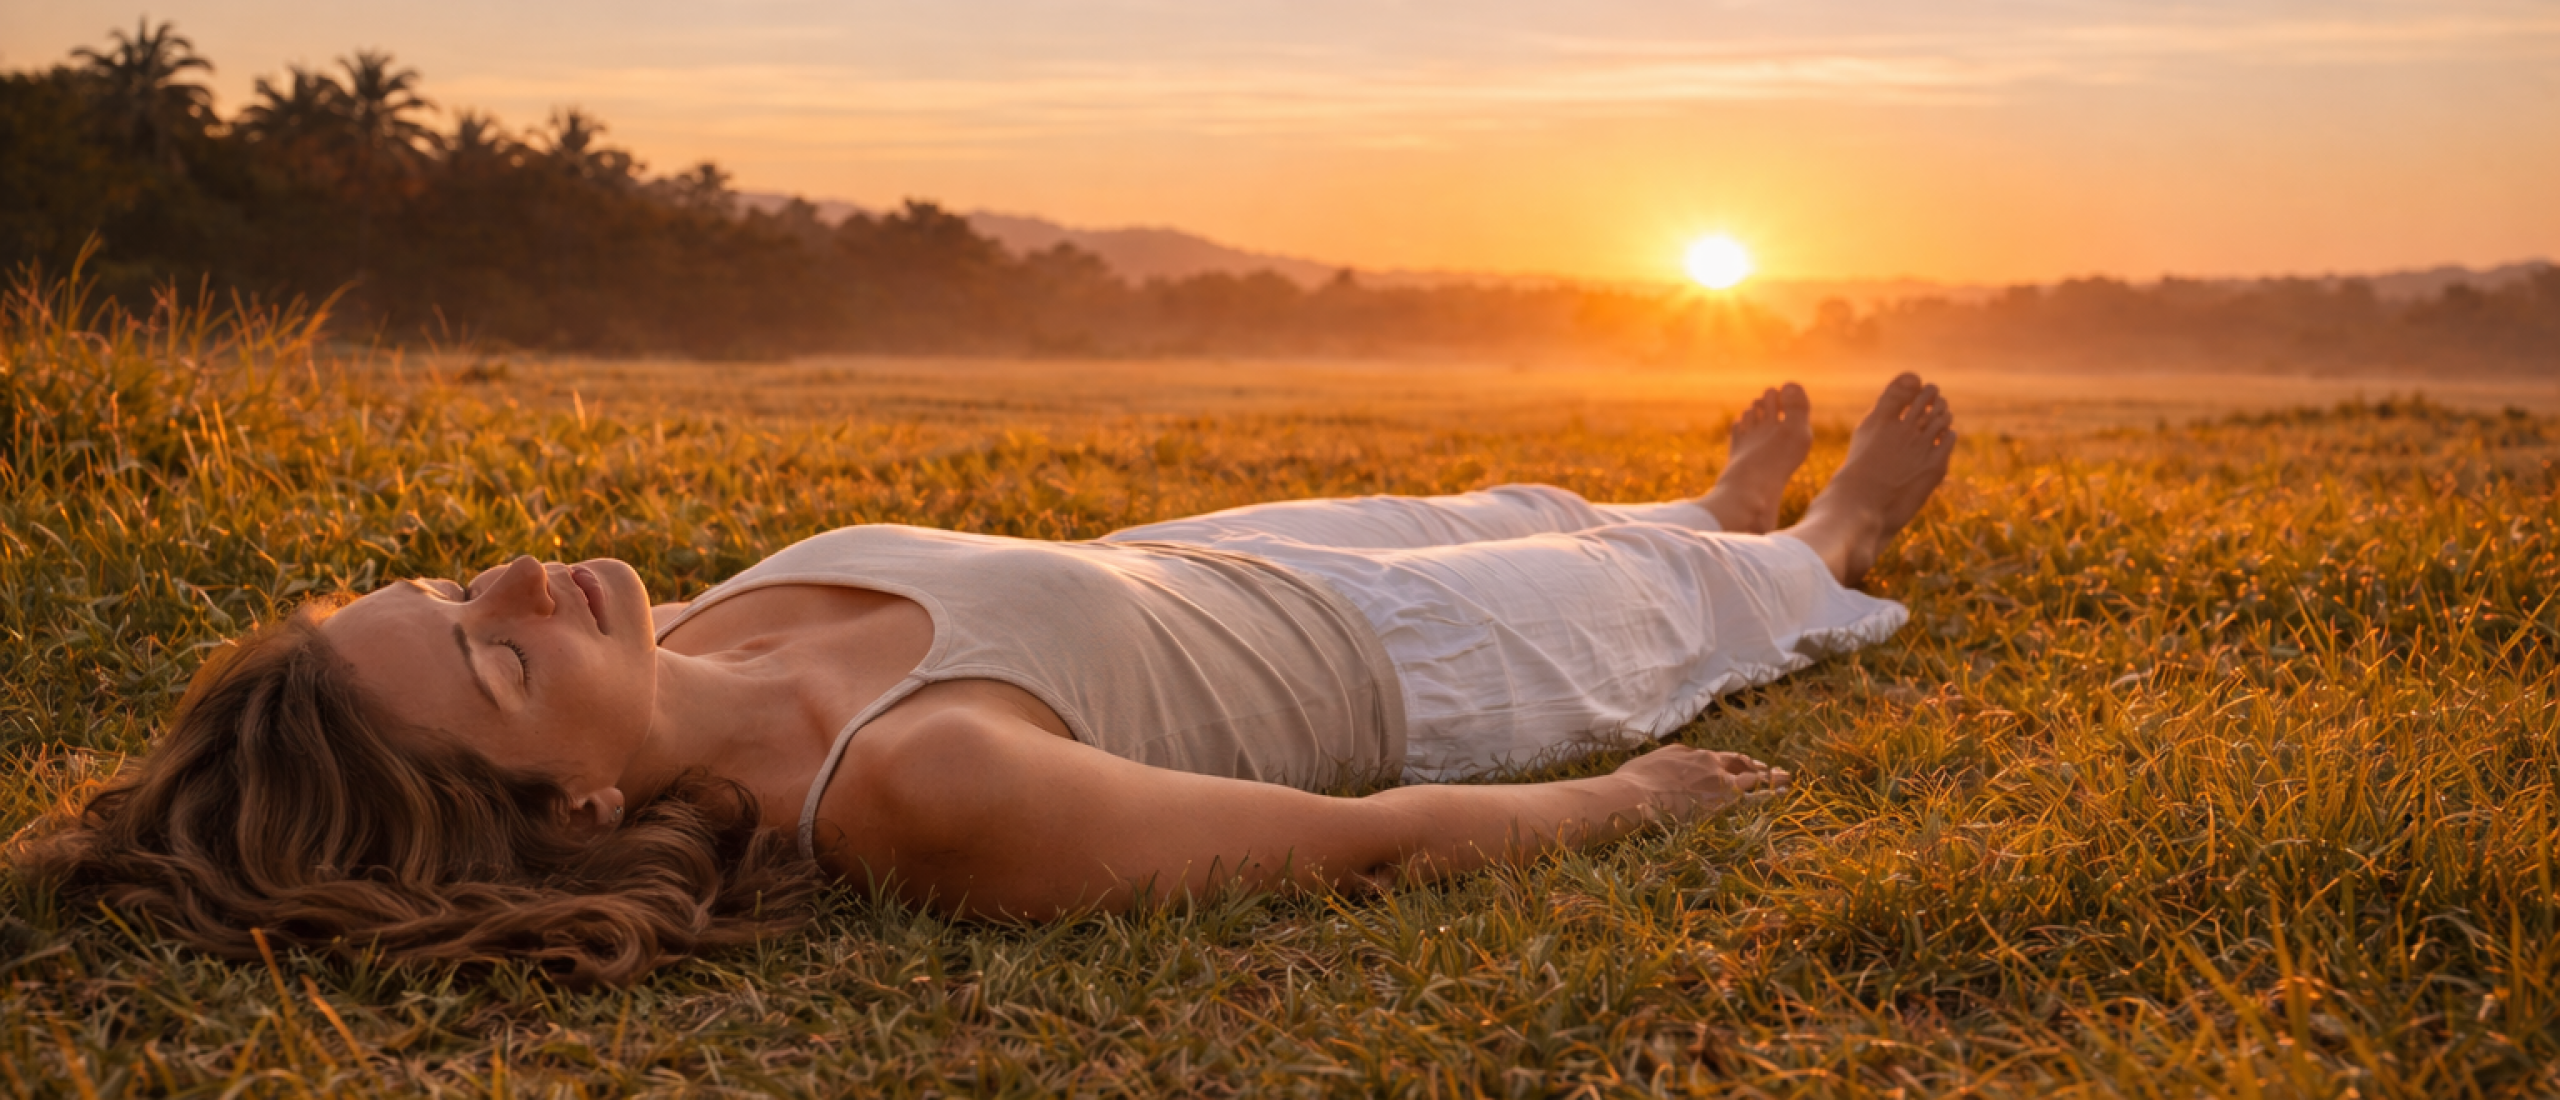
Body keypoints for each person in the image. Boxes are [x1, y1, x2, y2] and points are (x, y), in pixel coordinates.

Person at [20, 374, 1956, 984]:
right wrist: (1630, 801)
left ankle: (1688, 495)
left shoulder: (682, 639)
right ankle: (1814, 537)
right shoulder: (922, 789)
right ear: (573, 809)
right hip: (1406, 670)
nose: (523, 576)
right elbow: (1352, 842)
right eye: (492, 652)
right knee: (1725, 592)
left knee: (1533, 499)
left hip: (1221, 556)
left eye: (451, 583)